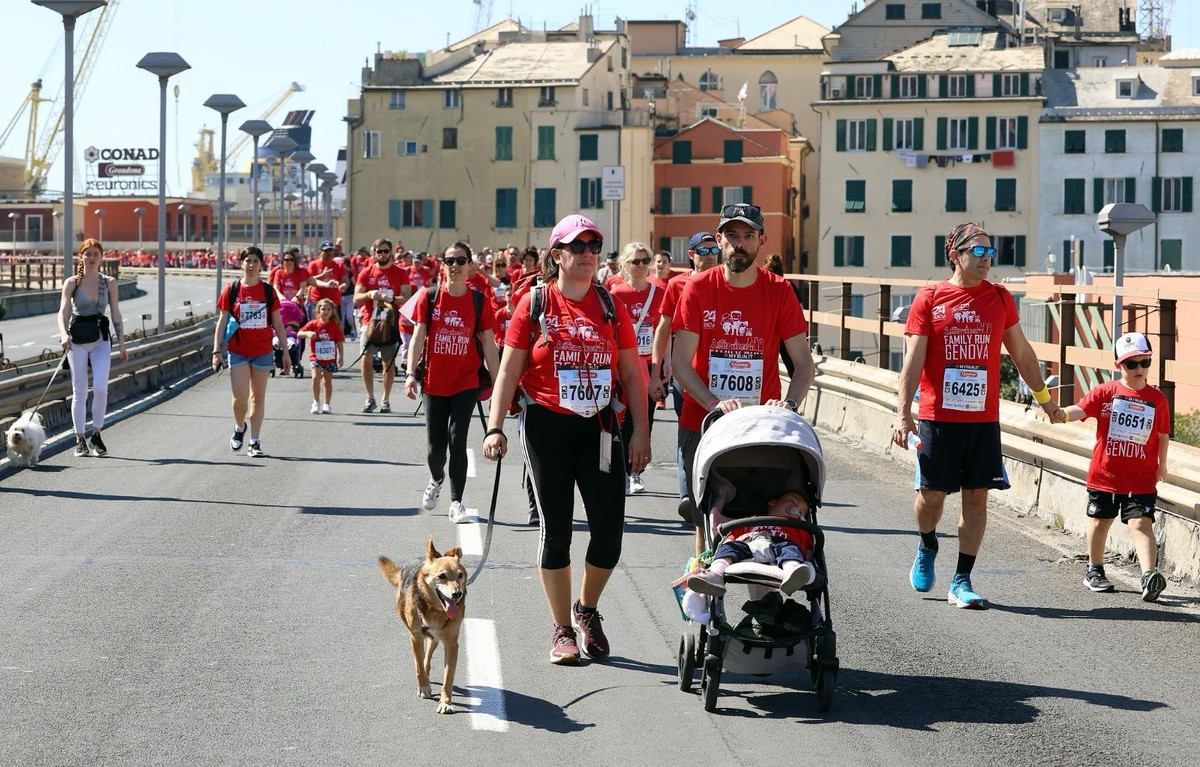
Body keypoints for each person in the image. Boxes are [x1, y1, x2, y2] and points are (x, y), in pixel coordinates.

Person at [481, 214, 650, 665]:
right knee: (556, 534)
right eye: (577, 246)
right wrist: (495, 427)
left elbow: (634, 374)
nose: (588, 254)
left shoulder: (611, 307)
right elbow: (509, 371)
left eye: (594, 246)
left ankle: (586, 609)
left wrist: (642, 432)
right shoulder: (535, 303)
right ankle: (561, 629)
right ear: (557, 255)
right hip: (547, 427)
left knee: (609, 536)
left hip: (600, 429)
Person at [891, 222, 1063, 609]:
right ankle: (927, 543)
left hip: (981, 420)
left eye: (992, 253)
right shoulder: (930, 298)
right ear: (956, 254)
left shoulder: (1000, 299)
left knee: (976, 499)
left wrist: (1045, 399)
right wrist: (903, 414)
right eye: (979, 252)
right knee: (931, 499)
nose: (988, 260)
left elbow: (1022, 353)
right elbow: (913, 361)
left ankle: (962, 580)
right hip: (938, 417)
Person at [671, 204, 816, 558]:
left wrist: (791, 405)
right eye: (732, 236)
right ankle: (705, 590)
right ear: (719, 240)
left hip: (760, 424)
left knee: (762, 509)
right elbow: (680, 363)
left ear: (761, 241)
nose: (739, 244)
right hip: (703, 418)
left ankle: (764, 591)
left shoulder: (779, 291)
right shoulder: (699, 288)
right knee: (705, 512)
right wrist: (712, 402)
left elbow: (803, 365)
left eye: (748, 236)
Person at [1058, 332, 1170, 602]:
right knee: (1101, 521)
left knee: (1141, 524)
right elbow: (1080, 410)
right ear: (1119, 365)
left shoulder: (1157, 399)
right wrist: (1057, 413)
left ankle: (1148, 576)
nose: (1139, 369)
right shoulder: (1105, 392)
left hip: (1141, 479)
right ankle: (1094, 569)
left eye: (1144, 362)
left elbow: (1163, 435)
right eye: (1132, 364)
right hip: (1105, 475)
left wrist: (1162, 465)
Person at [405, 242, 500, 524]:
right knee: (436, 449)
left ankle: (456, 502)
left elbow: (490, 345)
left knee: (458, 441)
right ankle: (436, 478)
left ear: (470, 266)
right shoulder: (429, 297)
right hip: (434, 383)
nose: (456, 266)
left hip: (466, 382)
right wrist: (411, 373)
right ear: (442, 265)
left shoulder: (479, 301)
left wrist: (501, 384)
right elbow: (418, 337)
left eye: (461, 260)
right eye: (450, 261)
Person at [212, 246, 292, 457]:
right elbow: (221, 322)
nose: (251, 264)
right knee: (240, 397)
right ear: (241, 263)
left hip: (262, 349)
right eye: (248, 260)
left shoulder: (267, 291)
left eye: (256, 261)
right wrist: (216, 351)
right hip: (238, 350)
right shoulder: (232, 289)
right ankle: (240, 428)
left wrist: (285, 352)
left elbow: (278, 322)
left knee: (258, 397)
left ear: (261, 265)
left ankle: (254, 442)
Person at [56, 238, 128, 457]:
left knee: (100, 387)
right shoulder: (71, 282)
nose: (91, 257)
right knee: (79, 392)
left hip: (100, 340)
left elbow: (115, 312)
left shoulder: (110, 283)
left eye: (95, 253)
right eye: (87, 253)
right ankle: (79, 439)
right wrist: (63, 334)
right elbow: (63, 312)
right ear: (81, 257)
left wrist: (122, 342)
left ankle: (96, 434)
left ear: (101, 257)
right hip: (76, 341)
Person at [686, 490, 818, 597]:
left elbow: (807, 548)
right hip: (749, 544)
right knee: (728, 547)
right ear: (772, 502)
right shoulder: (752, 520)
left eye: (802, 511)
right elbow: (733, 536)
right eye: (792, 501)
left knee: (790, 548)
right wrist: (728, 543)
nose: (796, 508)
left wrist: (808, 560)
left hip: (780, 545)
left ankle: (793, 571)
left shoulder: (798, 527)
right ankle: (715, 575)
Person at [609, 242, 664, 495]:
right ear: (626, 265)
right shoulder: (617, 294)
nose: (641, 266)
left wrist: (666, 365)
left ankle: (636, 473)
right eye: (636, 262)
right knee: (624, 421)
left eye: (645, 261)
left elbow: (666, 334)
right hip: (626, 367)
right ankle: (621, 471)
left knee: (646, 420)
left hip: (651, 366)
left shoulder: (659, 292)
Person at [354, 238, 412, 413]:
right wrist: (369, 294)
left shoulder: (400, 273)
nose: (382, 254)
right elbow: (356, 298)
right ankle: (370, 397)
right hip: (369, 321)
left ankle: (385, 399)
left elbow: (407, 297)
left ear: (391, 253)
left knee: (388, 361)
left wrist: (392, 298)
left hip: (391, 322)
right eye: (379, 251)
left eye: (386, 251)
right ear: (374, 253)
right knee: (366, 358)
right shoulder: (366, 272)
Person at [297, 298, 345, 414]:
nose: (326, 311)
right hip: (316, 357)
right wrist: (308, 333)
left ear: (332, 311)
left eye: (329, 309)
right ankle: (315, 402)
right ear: (318, 311)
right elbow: (299, 333)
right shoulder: (313, 324)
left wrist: (341, 356)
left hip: (329, 358)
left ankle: (326, 404)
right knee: (315, 378)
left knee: (327, 381)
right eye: (323, 309)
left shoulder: (334, 326)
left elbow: (339, 342)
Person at [270, 248, 339, 306]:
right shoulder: (277, 271)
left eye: (293, 259)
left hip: (297, 305)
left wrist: (326, 284)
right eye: (287, 260)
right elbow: (273, 286)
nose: (290, 262)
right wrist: (281, 298)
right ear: (283, 261)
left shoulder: (301, 271)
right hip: (282, 304)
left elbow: (312, 281)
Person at [306, 240, 351, 327]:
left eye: (331, 250)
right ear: (320, 252)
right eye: (326, 251)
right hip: (318, 302)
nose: (329, 253)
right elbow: (308, 280)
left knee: (334, 328)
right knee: (318, 328)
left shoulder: (338, 264)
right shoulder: (313, 264)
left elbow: (345, 278)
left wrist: (344, 285)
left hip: (334, 302)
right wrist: (322, 276)